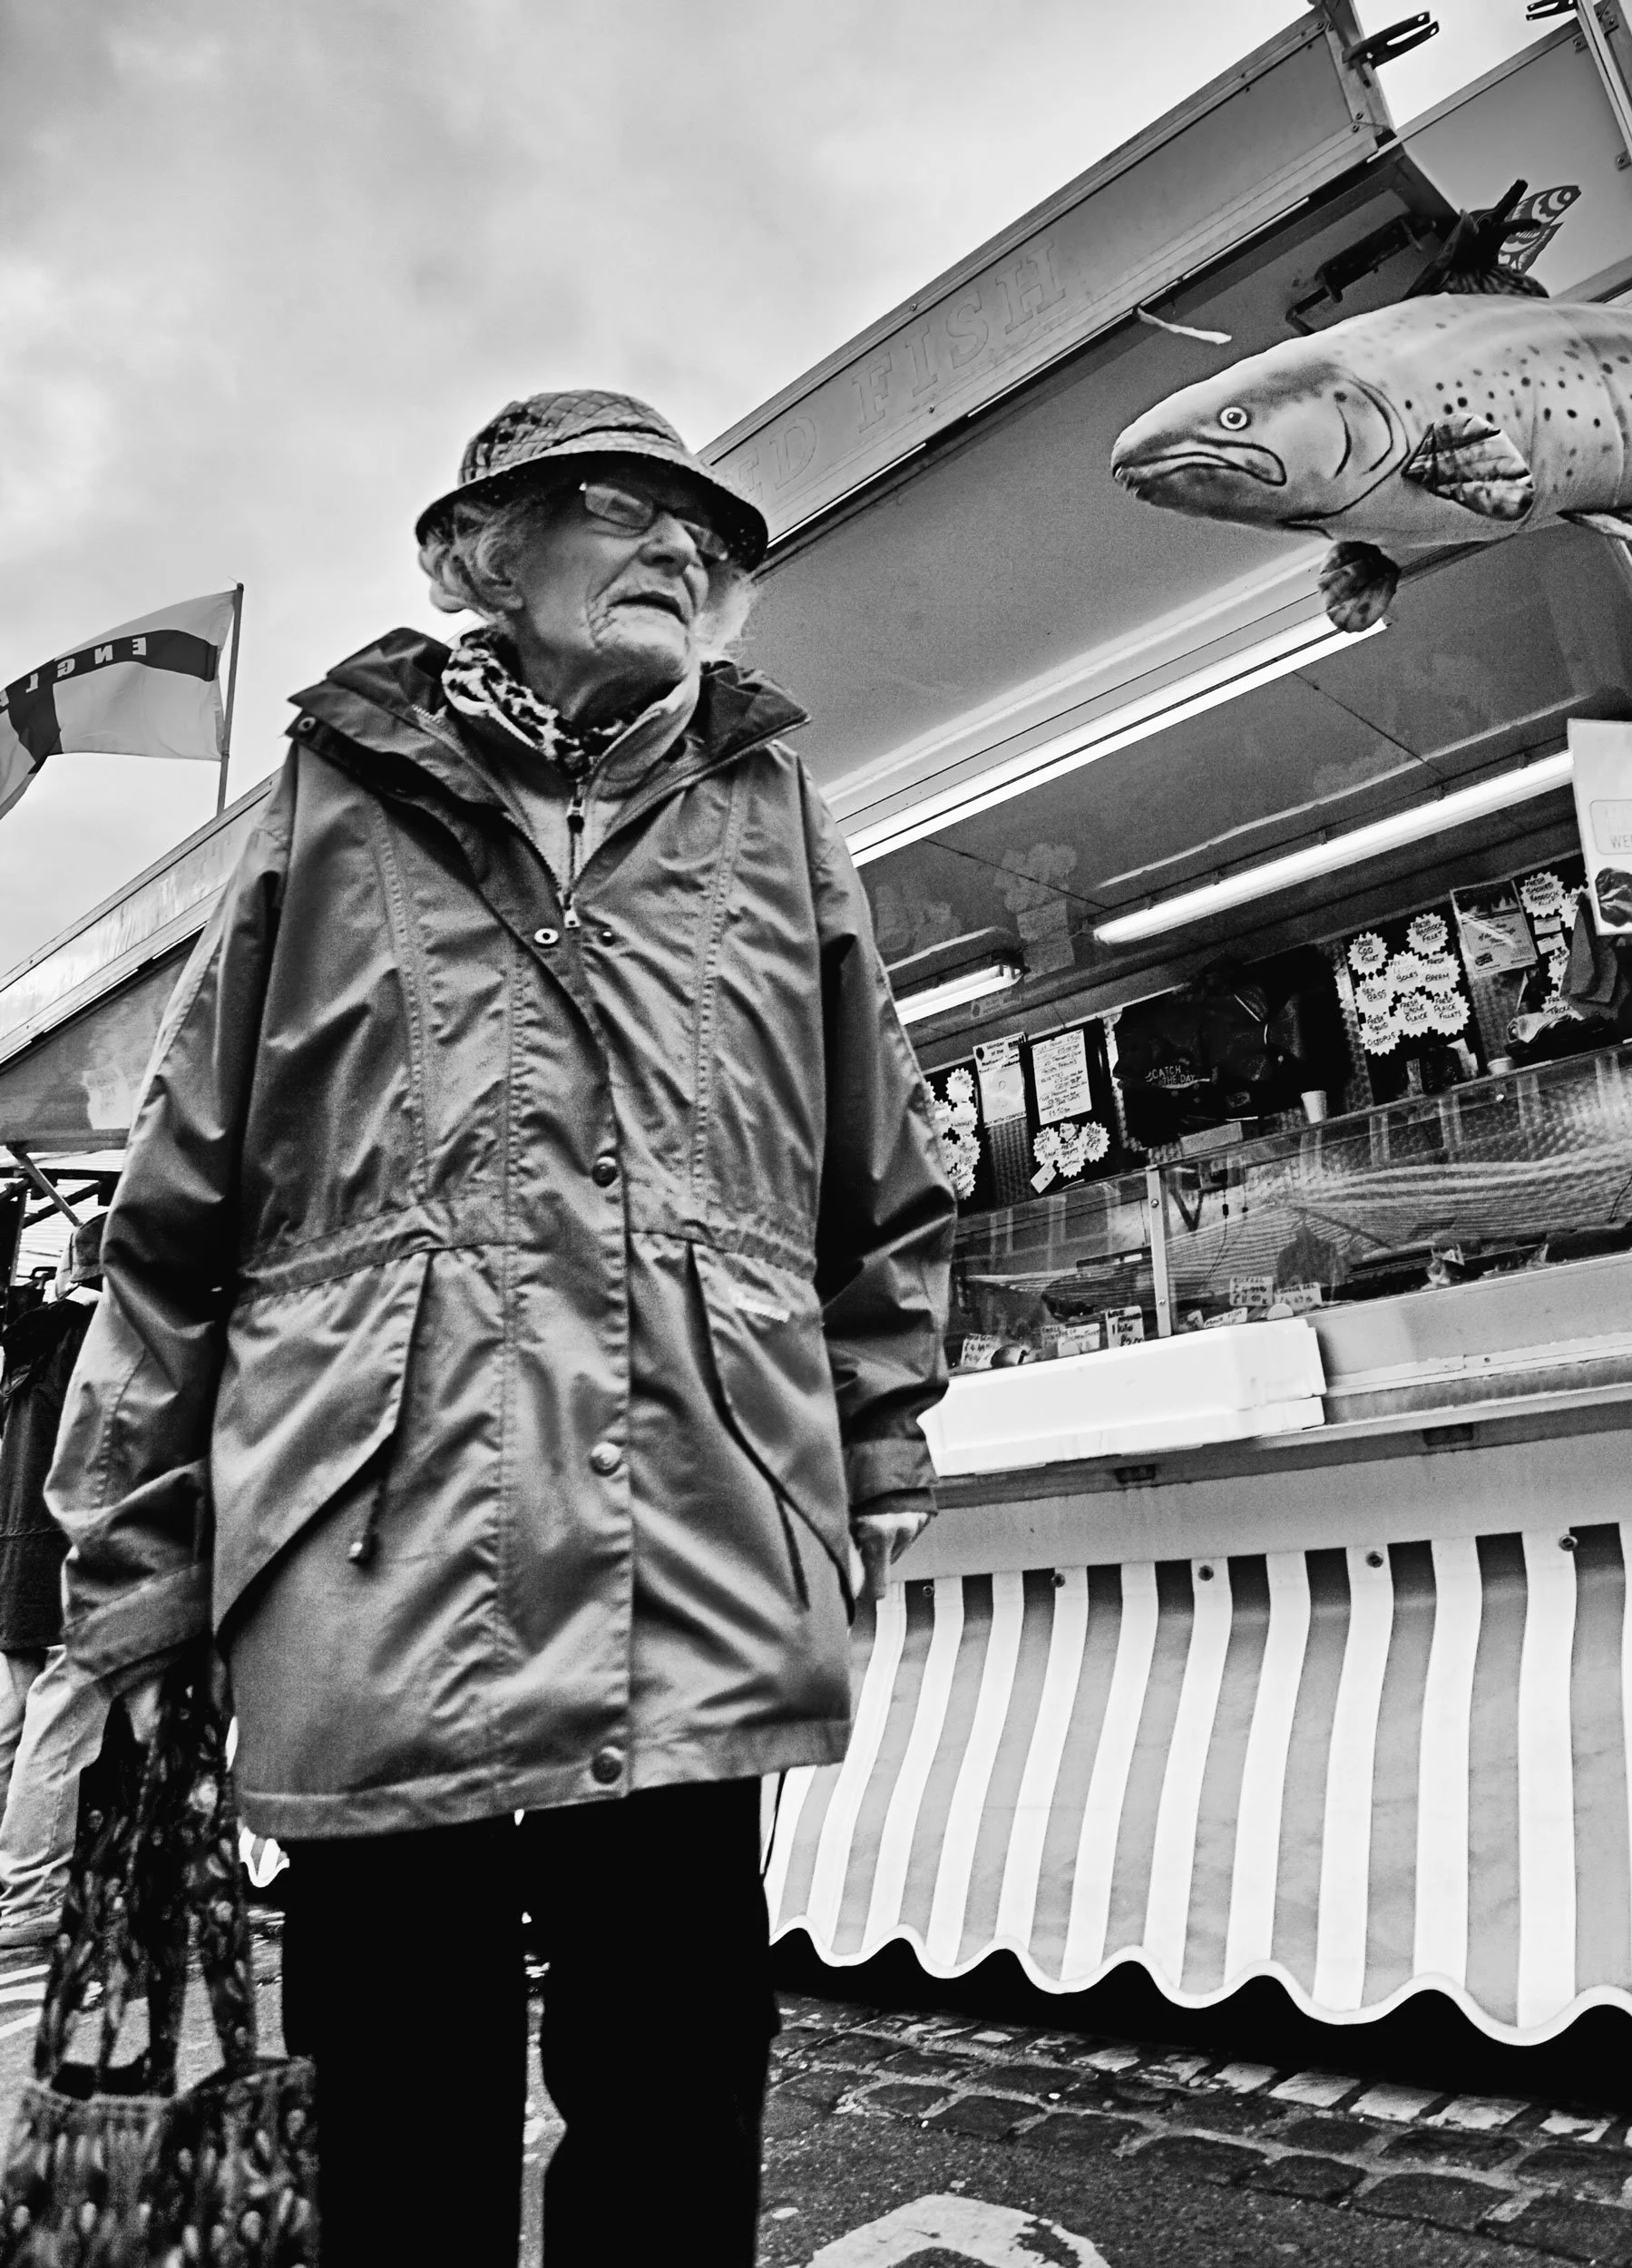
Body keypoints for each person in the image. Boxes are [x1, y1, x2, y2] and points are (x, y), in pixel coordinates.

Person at [46, 391, 954, 2266]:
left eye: (708, 532)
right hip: (378, 1537)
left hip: (696, 1513)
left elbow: (877, 1167)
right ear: (480, 556)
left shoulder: (776, 808)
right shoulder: (336, 800)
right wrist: (130, 1559)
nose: (683, 548)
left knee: (680, 2068)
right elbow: (182, 1193)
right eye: (619, 507)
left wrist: (874, 1453)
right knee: (397, 2090)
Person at [0, 1216, 110, 1949]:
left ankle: (12, 1883)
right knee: (61, 1726)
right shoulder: (93, 1342)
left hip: (12, 1551)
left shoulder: (27, 1346)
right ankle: (32, 1892)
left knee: (14, 1724)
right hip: (68, 1550)